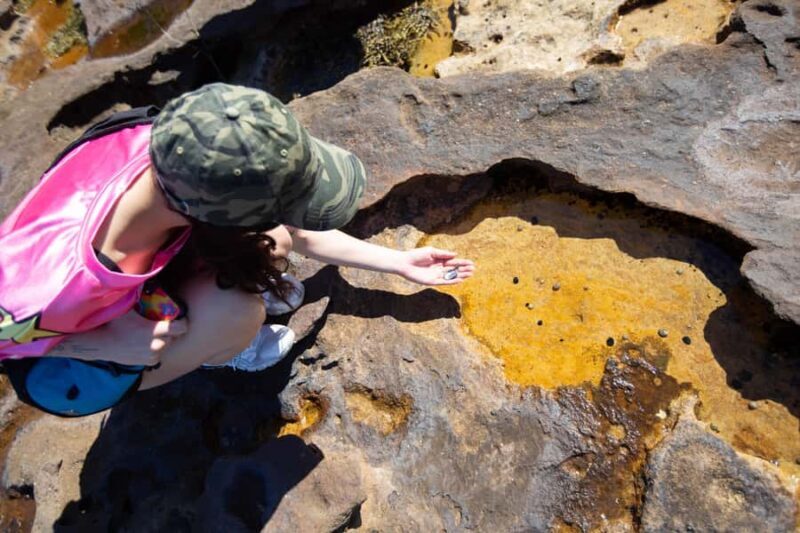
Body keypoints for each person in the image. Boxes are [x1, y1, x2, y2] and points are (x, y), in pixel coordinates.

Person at [0, 83, 474, 415]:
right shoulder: (48, 284)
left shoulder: (180, 141)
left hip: (136, 274)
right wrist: (98, 344)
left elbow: (294, 232)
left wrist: (398, 263)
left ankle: (201, 304)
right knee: (238, 311)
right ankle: (217, 349)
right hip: (69, 364)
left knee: (272, 242)